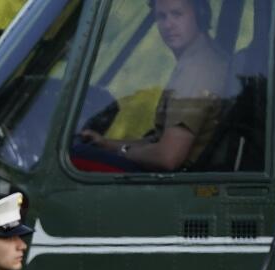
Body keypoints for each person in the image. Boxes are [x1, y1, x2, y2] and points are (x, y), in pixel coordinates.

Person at [79, 0, 228, 171]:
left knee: (75, 156)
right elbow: (160, 140)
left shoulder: (196, 71)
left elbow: (167, 157)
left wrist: (123, 150)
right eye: (161, 16)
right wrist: (106, 144)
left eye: (177, 14)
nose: (168, 25)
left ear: (200, 15)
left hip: (175, 183)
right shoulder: (199, 59)